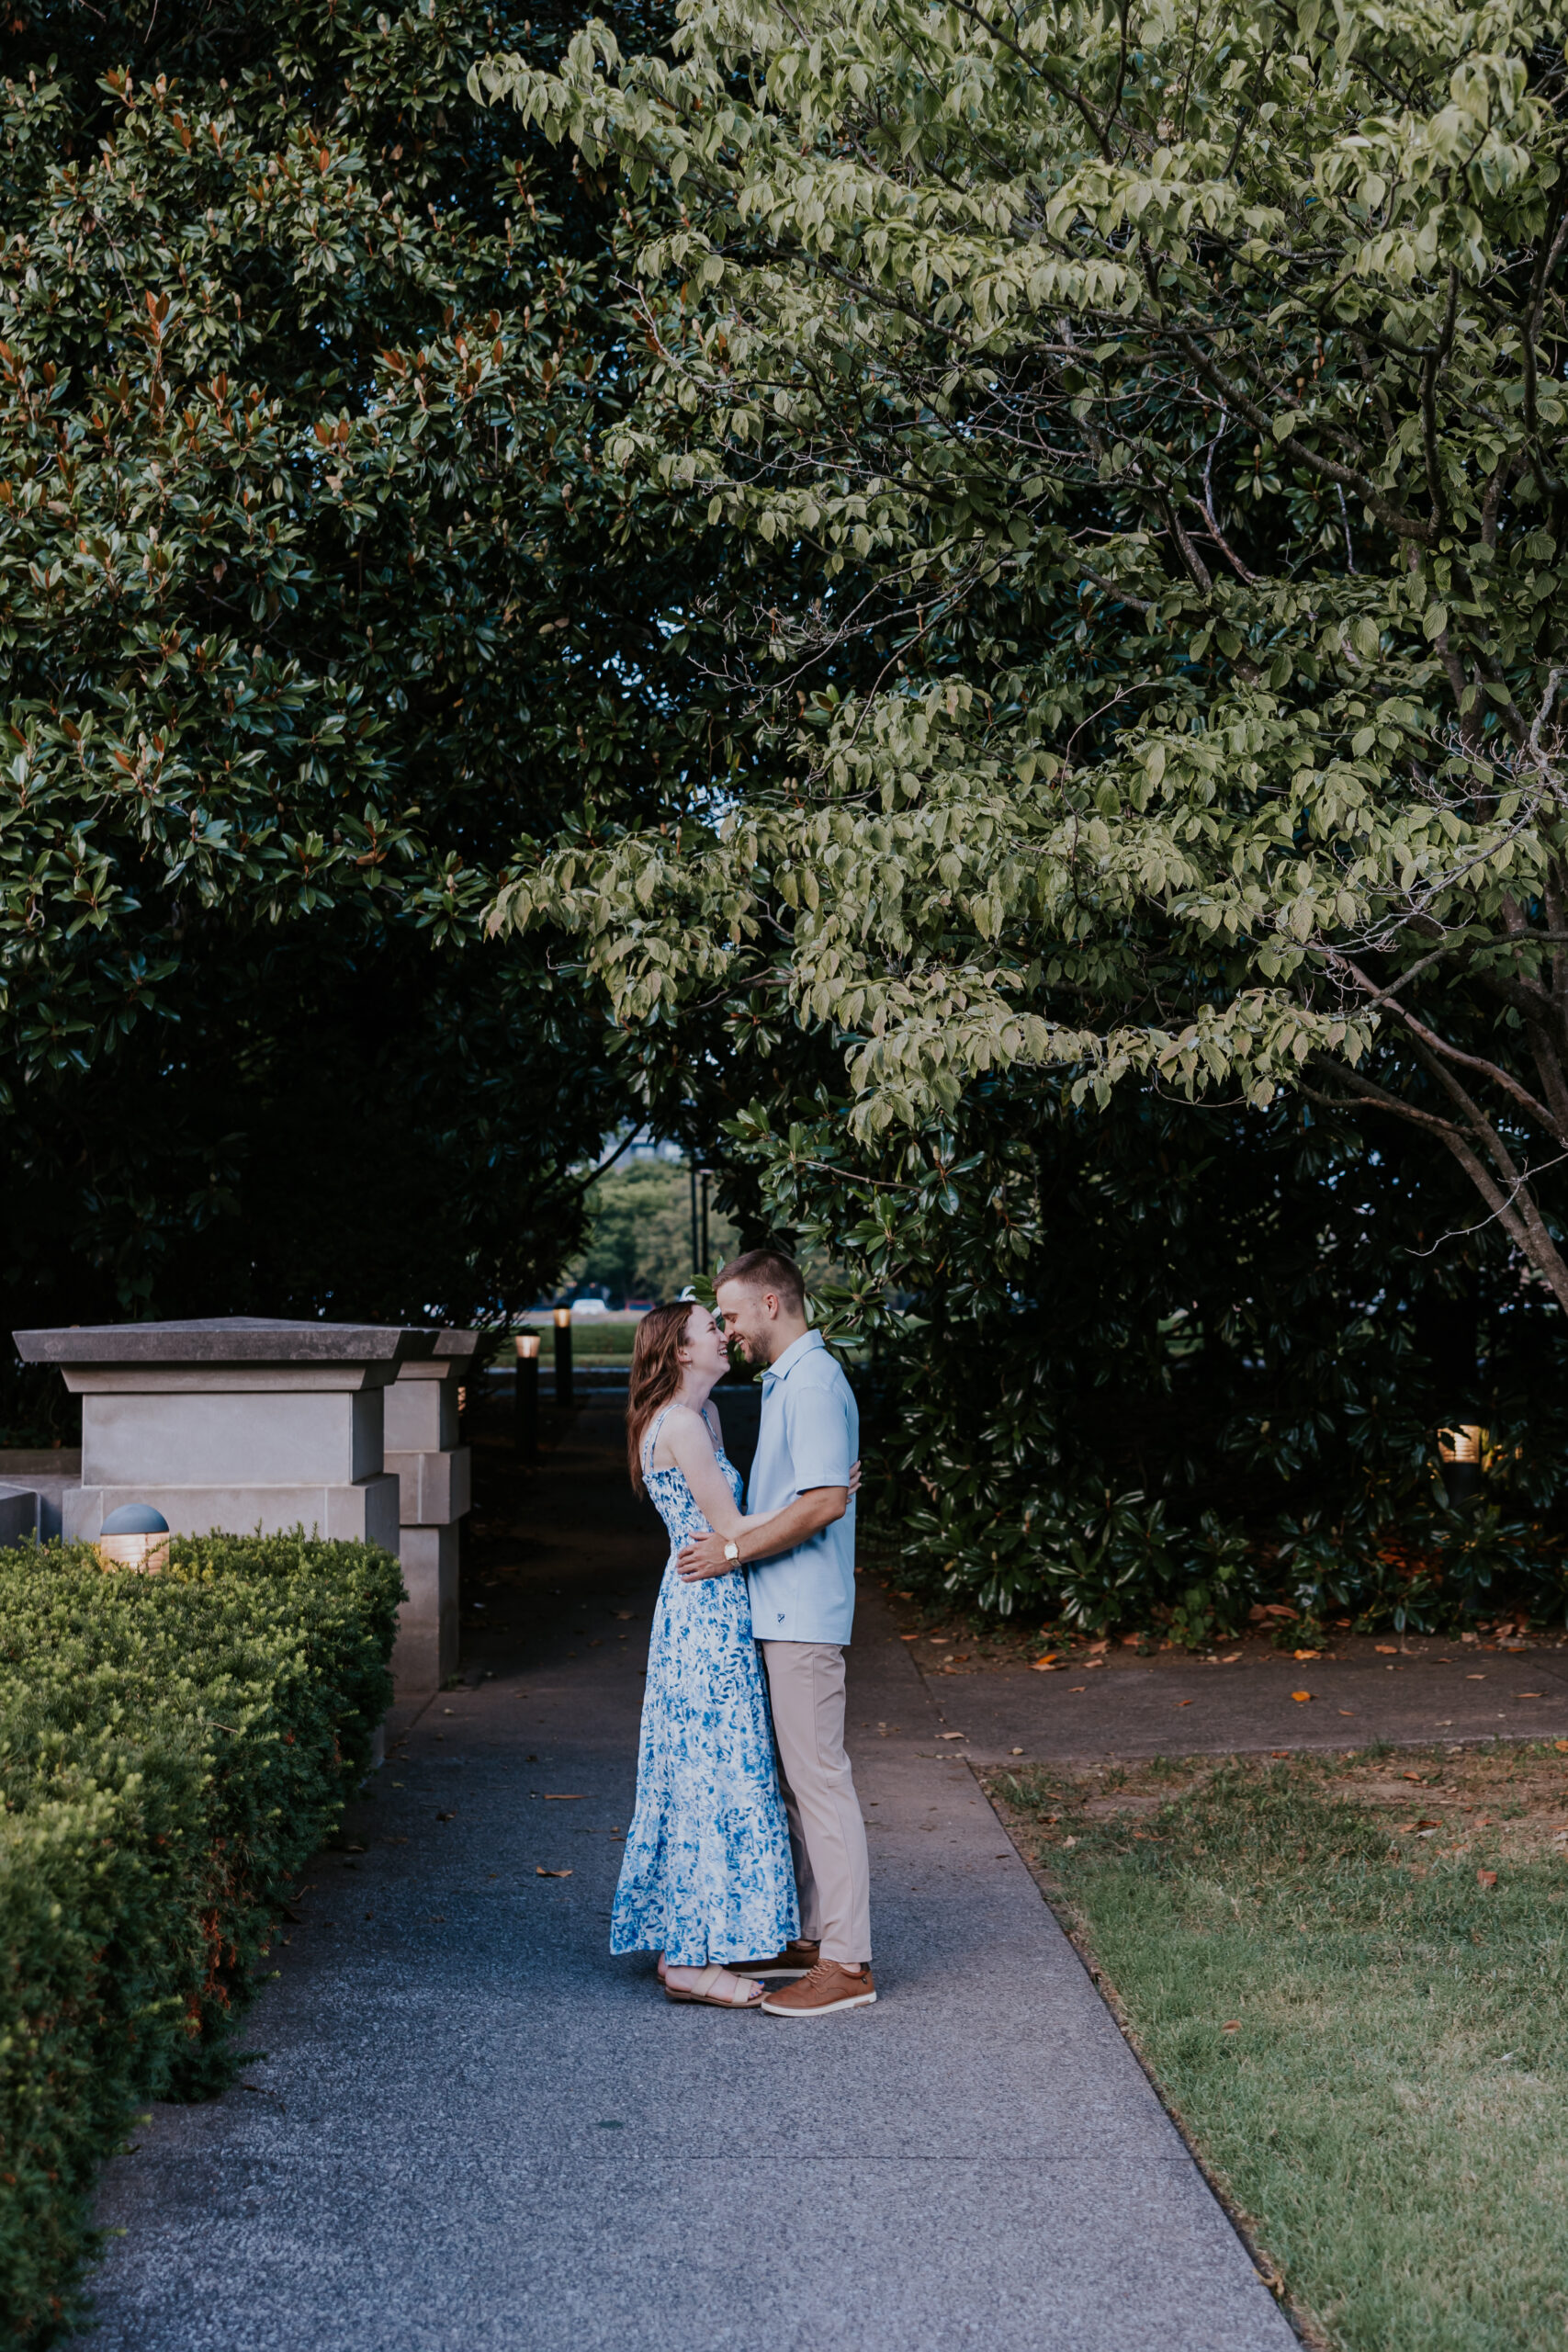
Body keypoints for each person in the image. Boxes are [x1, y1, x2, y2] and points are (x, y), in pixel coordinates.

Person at [676, 1250, 874, 2019]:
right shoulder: (791, 1380)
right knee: (799, 1786)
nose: (727, 1330)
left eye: (729, 1315)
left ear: (769, 1302)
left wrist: (728, 1551)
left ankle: (847, 1962)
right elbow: (809, 1494)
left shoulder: (816, 1382)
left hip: (802, 1619)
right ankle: (818, 1936)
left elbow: (823, 1503)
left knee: (820, 1782)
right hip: (779, 1612)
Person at [611, 1299, 803, 2007]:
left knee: (705, 1769)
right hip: (703, 1611)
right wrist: (819, 1503)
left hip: (710, 1600)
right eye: (709, 1330)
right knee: (705, 1774)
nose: (724, 1337)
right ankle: (688, 1963)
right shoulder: (682, 1425)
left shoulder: (703, 1418)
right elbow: (730, 1527)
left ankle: (691, 1938)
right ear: (681, 1351)